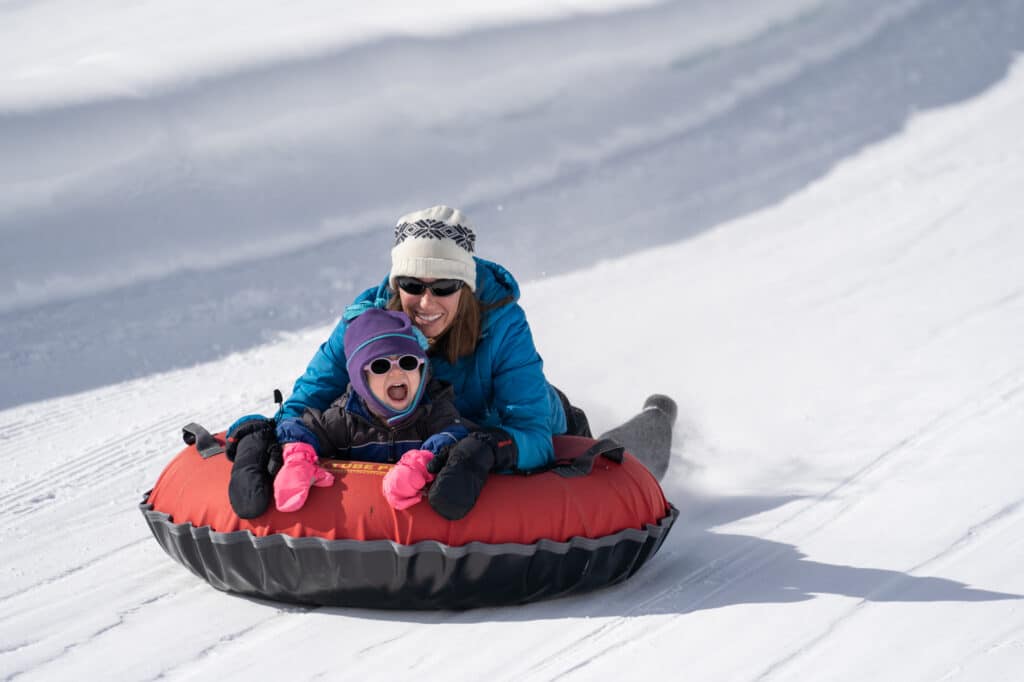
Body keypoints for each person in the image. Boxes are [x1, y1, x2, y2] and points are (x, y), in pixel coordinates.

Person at [273, 205, 589, 519]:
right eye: (412, 285)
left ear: (464, 287)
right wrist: (280, 441)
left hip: (524, 422)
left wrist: (488, 447)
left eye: (444, 287)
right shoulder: (366, 325)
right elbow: (305, 402)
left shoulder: (502, 324)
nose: (426, 302)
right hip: (430, 438)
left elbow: (534, 433)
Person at [226, 308, 470, 518]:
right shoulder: (346, 419)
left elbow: (453, 434)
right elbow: (303, 427)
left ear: (422, 370)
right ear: (361, 380)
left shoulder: (432, 410)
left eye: (407, 362)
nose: (397, 374)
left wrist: (422, 462)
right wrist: (299, 456)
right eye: (381, 365)